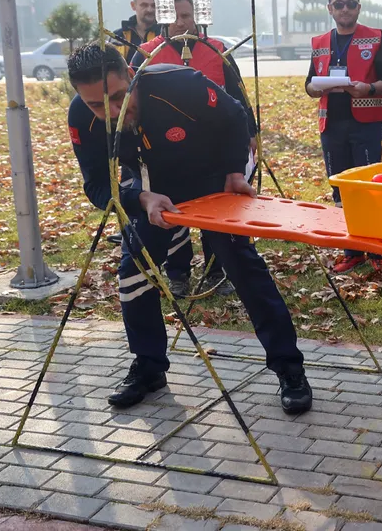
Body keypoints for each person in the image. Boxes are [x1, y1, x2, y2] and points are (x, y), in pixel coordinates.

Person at [65, 44, 311, 413]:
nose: (113, 112)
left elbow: (235, 116)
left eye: (118, 97)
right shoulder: (80, 117)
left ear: (131, 75)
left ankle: (289, 368)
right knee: (134, 273)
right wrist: (142, 199)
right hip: (151, 192)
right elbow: (98, 186)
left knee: (243, 267)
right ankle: (149, 366)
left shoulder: (181, 84)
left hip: (211, 181)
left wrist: (234, 171)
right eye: (97, 106)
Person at [137, 0, 257, 297]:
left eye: (186, 16)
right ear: (163, 18)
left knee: (216, 212)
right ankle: (178, 273)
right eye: (174, 17)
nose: (180, 23)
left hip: (215, 148)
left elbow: (238, 96)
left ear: (196, 17)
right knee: (174, 213)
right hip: (167, 152)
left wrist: (251, 133)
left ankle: (217, 272)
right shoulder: (146, 53)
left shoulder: (216, 49)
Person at [305, 0, 382, 275]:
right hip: (332, 126)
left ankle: (377, 251)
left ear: (359, 7)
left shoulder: (375, 38)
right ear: (330, 8)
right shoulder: (320, 43)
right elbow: (308, 84)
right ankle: (352, 251)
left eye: (351, 4)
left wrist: (367, 88)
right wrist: (317, 87)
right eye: (339, 4)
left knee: (370, 189)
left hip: (366, 125)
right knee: (340, 191)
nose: (345, 9)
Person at [114, 0, 158, 64]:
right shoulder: (118, 36)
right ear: (133, 5)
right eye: (144, 5)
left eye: (153, 5)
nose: (150, 10)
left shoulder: (165, 34)